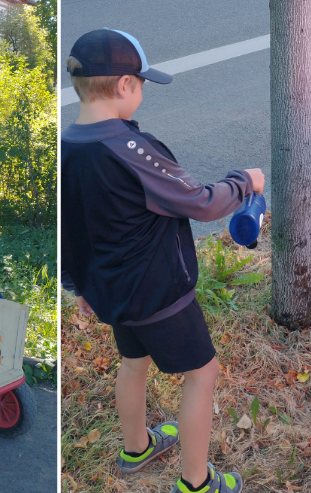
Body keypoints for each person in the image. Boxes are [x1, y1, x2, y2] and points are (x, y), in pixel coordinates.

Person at [60, 29, 263, 493]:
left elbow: (67, 227)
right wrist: (244, 181)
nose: (142, 93)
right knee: (202, 373)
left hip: (111, 290)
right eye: (143, 84)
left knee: (134, 363)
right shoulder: (130, 148)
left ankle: (136, 448)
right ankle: (197, 482)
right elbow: (201, 202)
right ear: (125, 85)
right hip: (158, 291)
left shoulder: (67, 146)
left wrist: (79, 287)